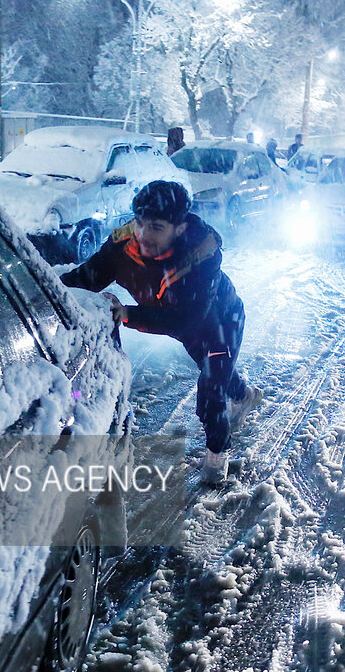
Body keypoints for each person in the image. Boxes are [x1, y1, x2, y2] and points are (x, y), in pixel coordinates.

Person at [61, 180, 261, 484]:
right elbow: (87, 277)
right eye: (139, 223)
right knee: (215, 371)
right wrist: (44, 285)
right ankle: (245, 394)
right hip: (186, 327)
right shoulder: (124, 246)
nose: (143, 235)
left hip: (221, 323)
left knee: (211, 391)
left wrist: (128, 314)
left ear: (179, 229)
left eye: (156, 227)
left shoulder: (200, 256)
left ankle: (217, 460)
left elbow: (187, 319)